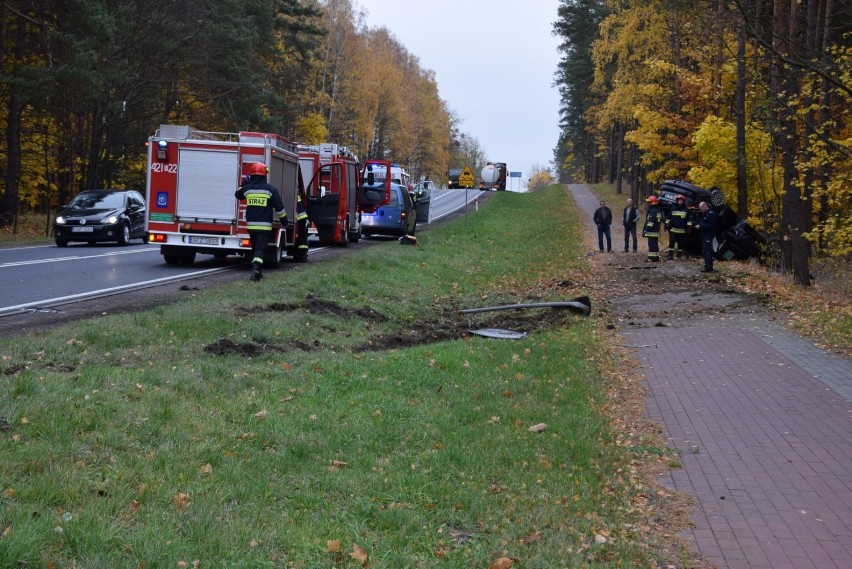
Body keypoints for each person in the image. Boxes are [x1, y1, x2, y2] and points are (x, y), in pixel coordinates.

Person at [235, 162, 288, 281]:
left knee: (255, 248)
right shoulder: (271, 190)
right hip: (264, 227)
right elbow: (279, 208)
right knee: (260, 249)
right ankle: (255, 271)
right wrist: (284, 222)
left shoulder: (248, 189)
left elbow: (238, 194)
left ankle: (258, 272)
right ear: (265, 175)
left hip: (251, 226)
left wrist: (245, 181)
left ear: (252, 175)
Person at [665, 194, 691, 259]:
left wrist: (688, 228)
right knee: (672, 241)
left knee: (680, 243)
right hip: (673, 229)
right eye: (679, 200)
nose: (680, 201)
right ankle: (671, 255)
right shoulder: (673, 208)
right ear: (677, 201)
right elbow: (668, 217)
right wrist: (666, 225)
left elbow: (689, 220)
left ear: (683, 201)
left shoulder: (686, 209)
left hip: (682, 230)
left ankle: (679, 255)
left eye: (681, 200)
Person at [642, 195, 663, 262]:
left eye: (649, 202)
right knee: (655, 244)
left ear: (652, 203)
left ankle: (652, 258)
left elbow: (651, 222)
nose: (648, 204)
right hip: (655, 231)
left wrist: (647, 229)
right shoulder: (657, 210)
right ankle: (656, 257)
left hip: (652, 231)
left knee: (651, 244)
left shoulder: (653, 211)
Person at [697, 201, 717, 272]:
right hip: (704, 235)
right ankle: (707, 266)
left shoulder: (711, 214)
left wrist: (700, 226)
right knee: (705, 251)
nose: (701, 210)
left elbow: (712, 225)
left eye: (701, 208)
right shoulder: (705, 214)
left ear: (705, 206)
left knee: (707, 251)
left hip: (708, 235)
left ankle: (709, 267)